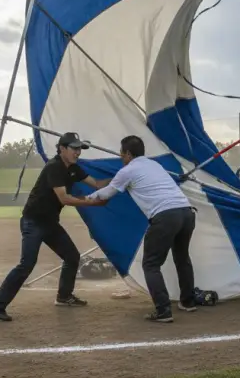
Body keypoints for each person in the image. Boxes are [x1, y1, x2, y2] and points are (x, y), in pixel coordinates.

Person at [0, 133, 109, 322]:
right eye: (74, 148)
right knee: (27, 264)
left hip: (50, 223)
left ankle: (64, 296)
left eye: (79, 149)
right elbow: (64, 199)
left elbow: (97, 184)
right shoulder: (54, 167)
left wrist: (122, 177)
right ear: (62, 149)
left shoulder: (74, 169)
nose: (77, 152)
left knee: (72, 257)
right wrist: (93, 203)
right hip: (33, 222)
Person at [85, 135, 198, 323]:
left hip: (165, 216)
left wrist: (84, 199)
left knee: (151, 265)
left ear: (128, 153)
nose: (121, 156)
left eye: (122, 153)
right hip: (187, 213)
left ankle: (163, 311)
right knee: (182, 257)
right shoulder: (155, 165)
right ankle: (188, 302)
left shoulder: (127, 170)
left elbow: (106, 193)